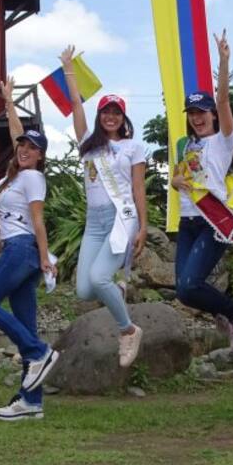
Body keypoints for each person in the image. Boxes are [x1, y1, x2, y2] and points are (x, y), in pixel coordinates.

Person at [0, 77, 59, 421]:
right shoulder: (14, 174)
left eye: (31, 148)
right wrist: (9, 103)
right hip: (15, 248)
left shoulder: (32, 178)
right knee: (25, 322)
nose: (24, 149)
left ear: (40, 156)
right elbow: (15, 134)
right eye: (21, 145)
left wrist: (43, 256)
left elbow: (38, 221)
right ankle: (31, 401)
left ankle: (40, 352)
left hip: (23, 249)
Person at [60, 45, 147, 368]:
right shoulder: (88, 145)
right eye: (105, 112)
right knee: (84, 290)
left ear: (123, 118)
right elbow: (74, 105)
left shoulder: (133, 147)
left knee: (98, 278)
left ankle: (128, 330)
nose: (111, 116)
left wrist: (144, 227)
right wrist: (69, 68)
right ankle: (116, 288)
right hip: (93, 223)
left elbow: (138, 188)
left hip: (121, 219)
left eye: (116, 112)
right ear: (99, 117)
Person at [171, 31, 233, 350]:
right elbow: (183, 177)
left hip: (213, 221)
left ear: (212, 115)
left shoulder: (224, 141)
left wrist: (223, 61)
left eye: (201, 113)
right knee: (183, 290)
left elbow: (223, 100)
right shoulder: (188, 145)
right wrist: (176, 181)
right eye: (191, 114)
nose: (196, 118)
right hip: (188, 222)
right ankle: (223, 311)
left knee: (191, 284)